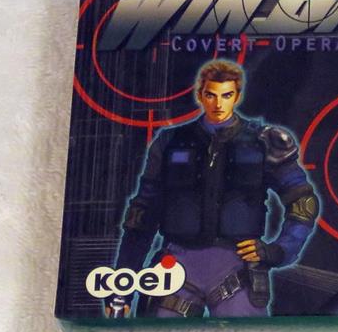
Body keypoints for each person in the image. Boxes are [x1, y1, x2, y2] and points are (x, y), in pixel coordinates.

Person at [109, 60, 318, 317]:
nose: (218, 104)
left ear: (237, 96)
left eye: (226, 95)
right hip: (177, 263)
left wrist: (279, 250)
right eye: (211, 95)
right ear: (200, 95)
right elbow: (142, 216)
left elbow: (302, 202)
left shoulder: (263, 141)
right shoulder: (170, 141)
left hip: (237, 265)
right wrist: (121, 288)